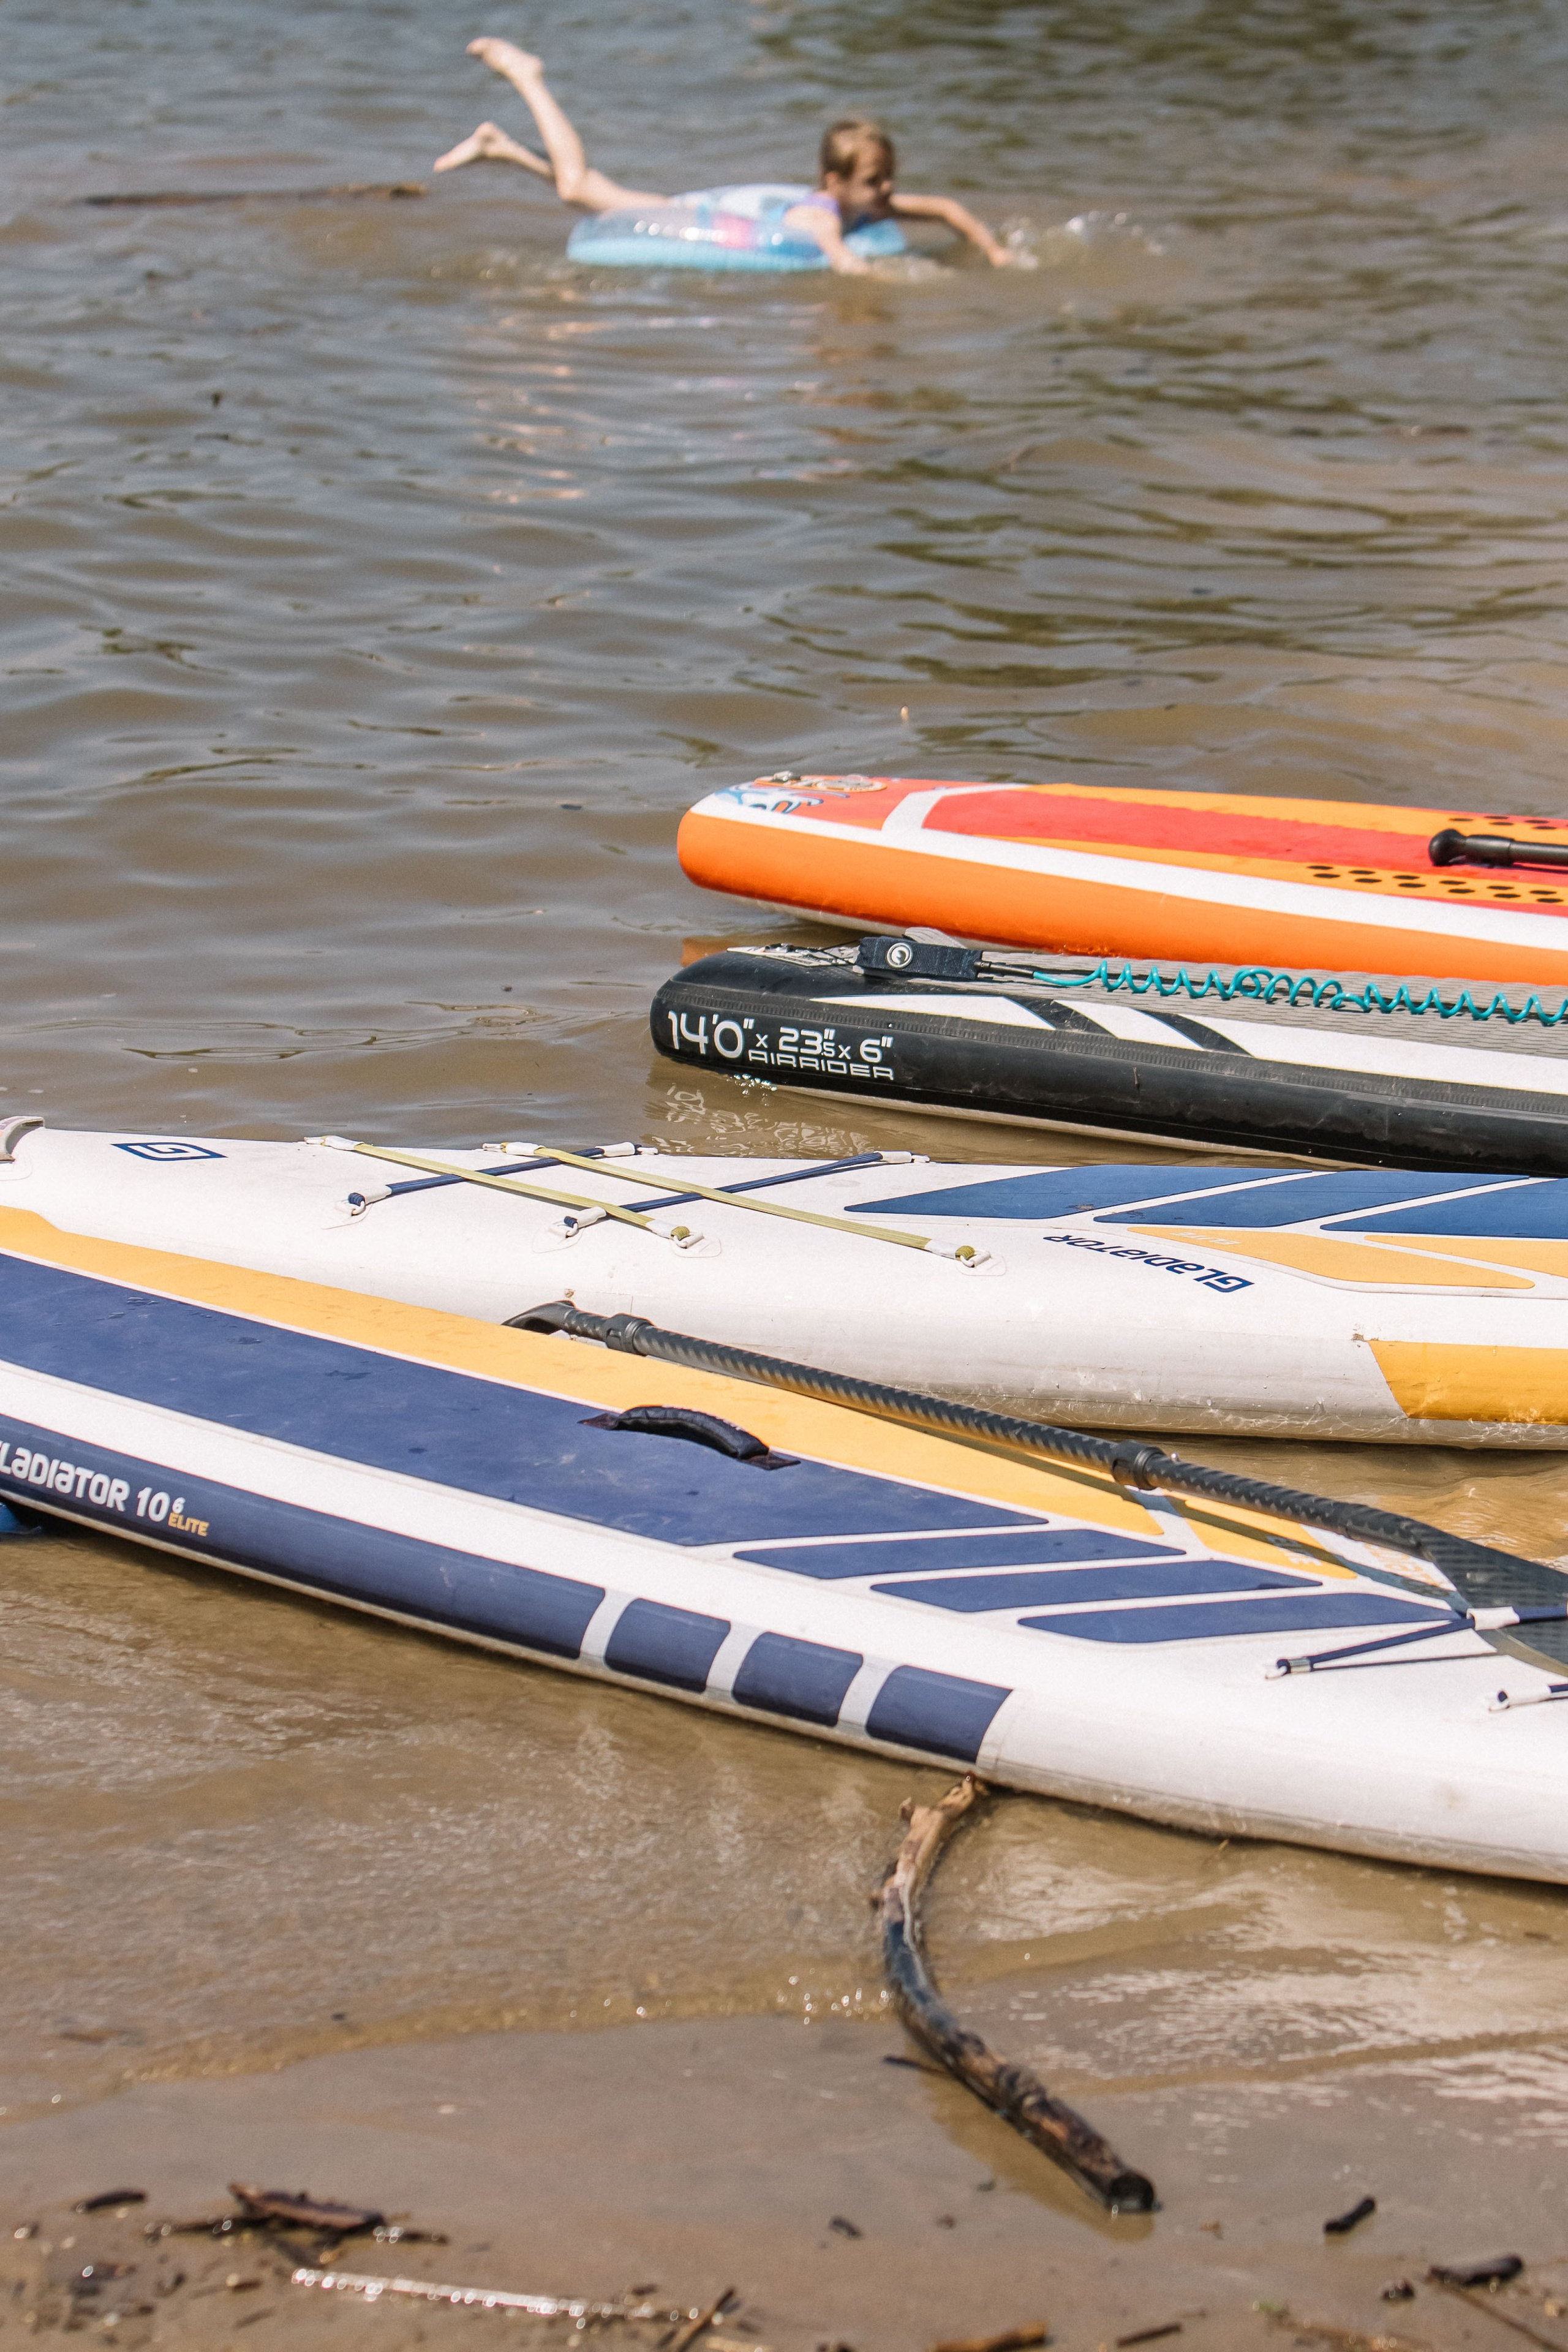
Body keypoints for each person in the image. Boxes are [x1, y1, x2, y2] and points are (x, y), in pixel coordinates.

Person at [434, 41, 1014, 272]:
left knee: (586, 191)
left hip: (708, 215)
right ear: (832, 182)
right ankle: (528, 77)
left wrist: (991, 249)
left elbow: (945, 208)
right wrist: (889, 280)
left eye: (888, 179)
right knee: (576, 189)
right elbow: (840, 259)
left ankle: (503, 149)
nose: (886, 191)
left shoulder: (871, 206)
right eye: (874, 181)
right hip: (691, 220)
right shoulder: (822, 217)